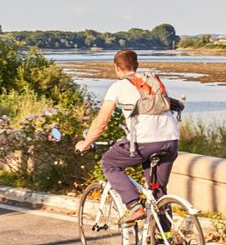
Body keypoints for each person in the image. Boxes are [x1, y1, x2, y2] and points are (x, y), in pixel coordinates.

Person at [75, 49, 180, 223]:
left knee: (109, 162)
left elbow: (101, 122)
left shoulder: (118, 87)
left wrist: (86, 143)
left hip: (144, 143)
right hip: (171, 139)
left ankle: (133, 205)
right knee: (157, 193)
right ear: (136, 65)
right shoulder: (152, 82)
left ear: (116, 67)